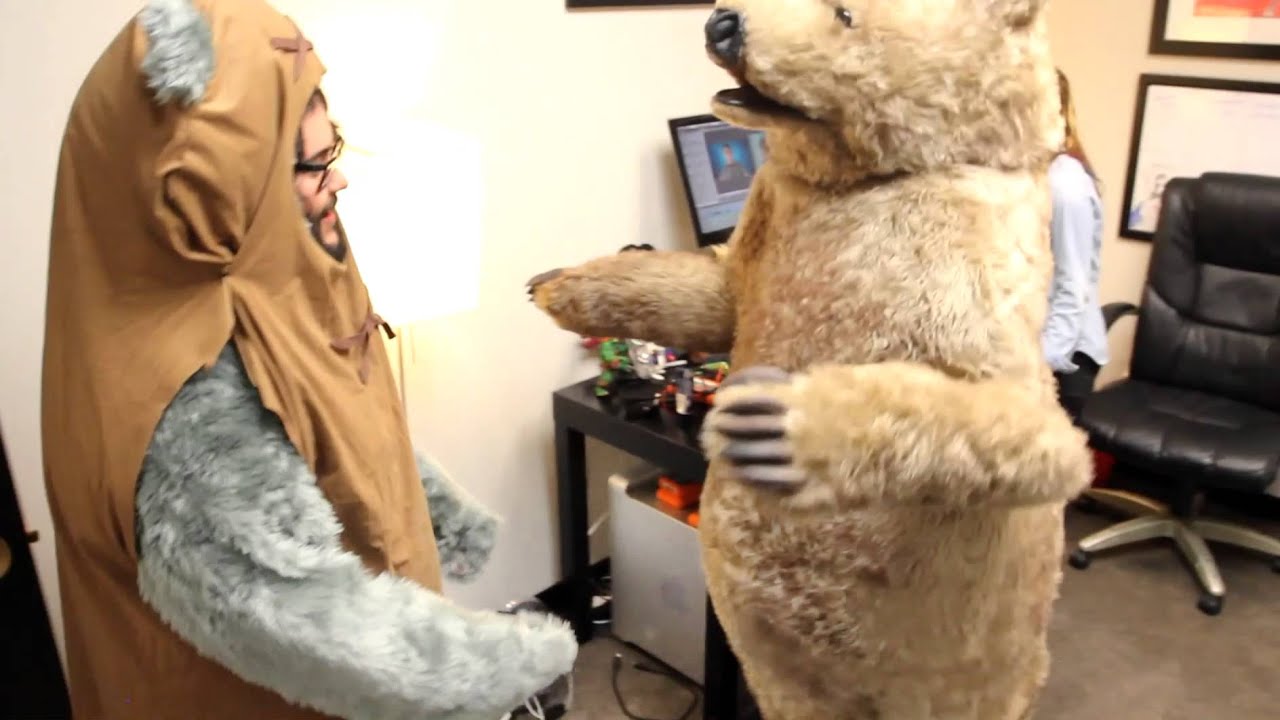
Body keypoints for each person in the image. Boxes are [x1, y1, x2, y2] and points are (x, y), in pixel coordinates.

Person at [40, 1, 574, 719]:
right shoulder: (185, 396)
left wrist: (437, 508)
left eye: (334, 149)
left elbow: (330, 424)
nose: (339, 181)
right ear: (210, 187)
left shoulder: (260, 286)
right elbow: (302, 620)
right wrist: (508, 665)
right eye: (316, 165)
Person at [1043, 68, 1109, 422]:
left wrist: (1040, 365)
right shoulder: (1030, 175)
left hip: (1065, 359)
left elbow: (1073, 286)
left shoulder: (1065, 185)